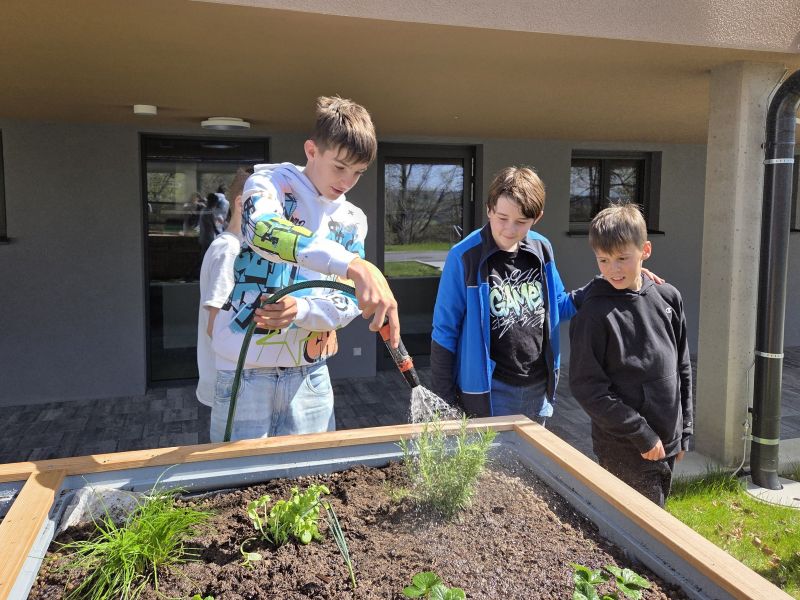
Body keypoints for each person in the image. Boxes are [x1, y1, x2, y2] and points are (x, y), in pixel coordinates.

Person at [209, 95, 398, 442]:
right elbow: (265, 231)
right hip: (245, 370)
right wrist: (352, 264)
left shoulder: (353, 219)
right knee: (241, 474)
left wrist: (302, 309)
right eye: (339, 167)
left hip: (311, 372)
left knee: (315, 472)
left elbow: (348, 300)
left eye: (358, 172)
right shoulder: (268, 185)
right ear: (312, 150)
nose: (347, 181)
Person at [430, 166, 578, 425]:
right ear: (489, 209)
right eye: (502, 218)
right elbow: (445, 331)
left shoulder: (542, 248)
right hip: (491, 394)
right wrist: (444, 402)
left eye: (521, 222)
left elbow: (558, 306)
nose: (510, 229)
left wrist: (608, 283)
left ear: (537, 218)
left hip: (538, 389)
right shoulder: (464, 256)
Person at [568, 203, 692, 507]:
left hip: (667, 440)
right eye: (604, 260)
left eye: (622, 258)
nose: (614, 269)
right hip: (624, 447)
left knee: (656, 516)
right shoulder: (593, 315)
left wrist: (685, 429)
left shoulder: (668, 297)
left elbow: (682, 367)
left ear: (645, 250)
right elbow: (588, 388)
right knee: (636, 528)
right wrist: (641, 434)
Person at [196, 168, 251, 411]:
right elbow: (215, 328)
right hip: (233, 388)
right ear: (240, 204)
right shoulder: (230, 250)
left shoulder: (235, 247)